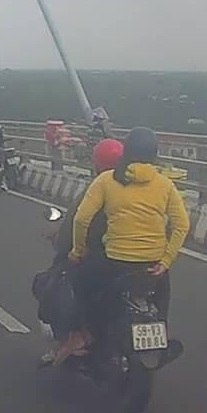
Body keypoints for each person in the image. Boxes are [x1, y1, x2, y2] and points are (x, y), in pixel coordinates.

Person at [66, 128, 189, 358]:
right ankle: (161, 333)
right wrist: (165, 261)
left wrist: (78, 251)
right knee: (161, 295)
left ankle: (80, 334)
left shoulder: (107, 180)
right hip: (152, 263)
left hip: (116, 262)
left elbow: (81, 219)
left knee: (78, 280)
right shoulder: (165, 184)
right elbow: (182, 225)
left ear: (126, 151)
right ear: (154, 155)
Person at [41, 139, 123, 364]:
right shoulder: (143, 187)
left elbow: (77, 222)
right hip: (147, 260)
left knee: (57, 284)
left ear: (96, 164)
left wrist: (72, 250)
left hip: (104, 259)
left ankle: (73, 335)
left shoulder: (96, 188)